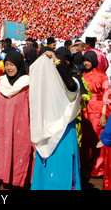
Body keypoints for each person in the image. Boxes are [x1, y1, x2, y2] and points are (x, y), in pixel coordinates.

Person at [29, 50, 81, 190]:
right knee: (47, 171)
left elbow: (71, 86)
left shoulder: (73, 80)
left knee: (63, 168)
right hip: (46, 130)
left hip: (64, 132)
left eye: (66, 60)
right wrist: (43, 61)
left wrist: (57, 62)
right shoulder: (47, 87)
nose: (62, 63)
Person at [0, 50, 33, 189]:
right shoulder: (2, 83)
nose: (9, 68)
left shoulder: (27, 84)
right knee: (4, 153)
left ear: (19, 65)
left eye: (12, 64)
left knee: (19, 155)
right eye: (7, 64)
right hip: (3, 128)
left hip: (21, 128)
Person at [80, 50, 111, 178]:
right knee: (85, 141)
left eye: (88, 60)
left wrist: (104, 114)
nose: (86, 63)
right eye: (85, 60)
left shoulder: (102, 76)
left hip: (98, 112)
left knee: (97, 140)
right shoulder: (82, 75)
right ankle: (86, 167)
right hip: (84, 111)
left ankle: (98, 169)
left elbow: (107, 96)